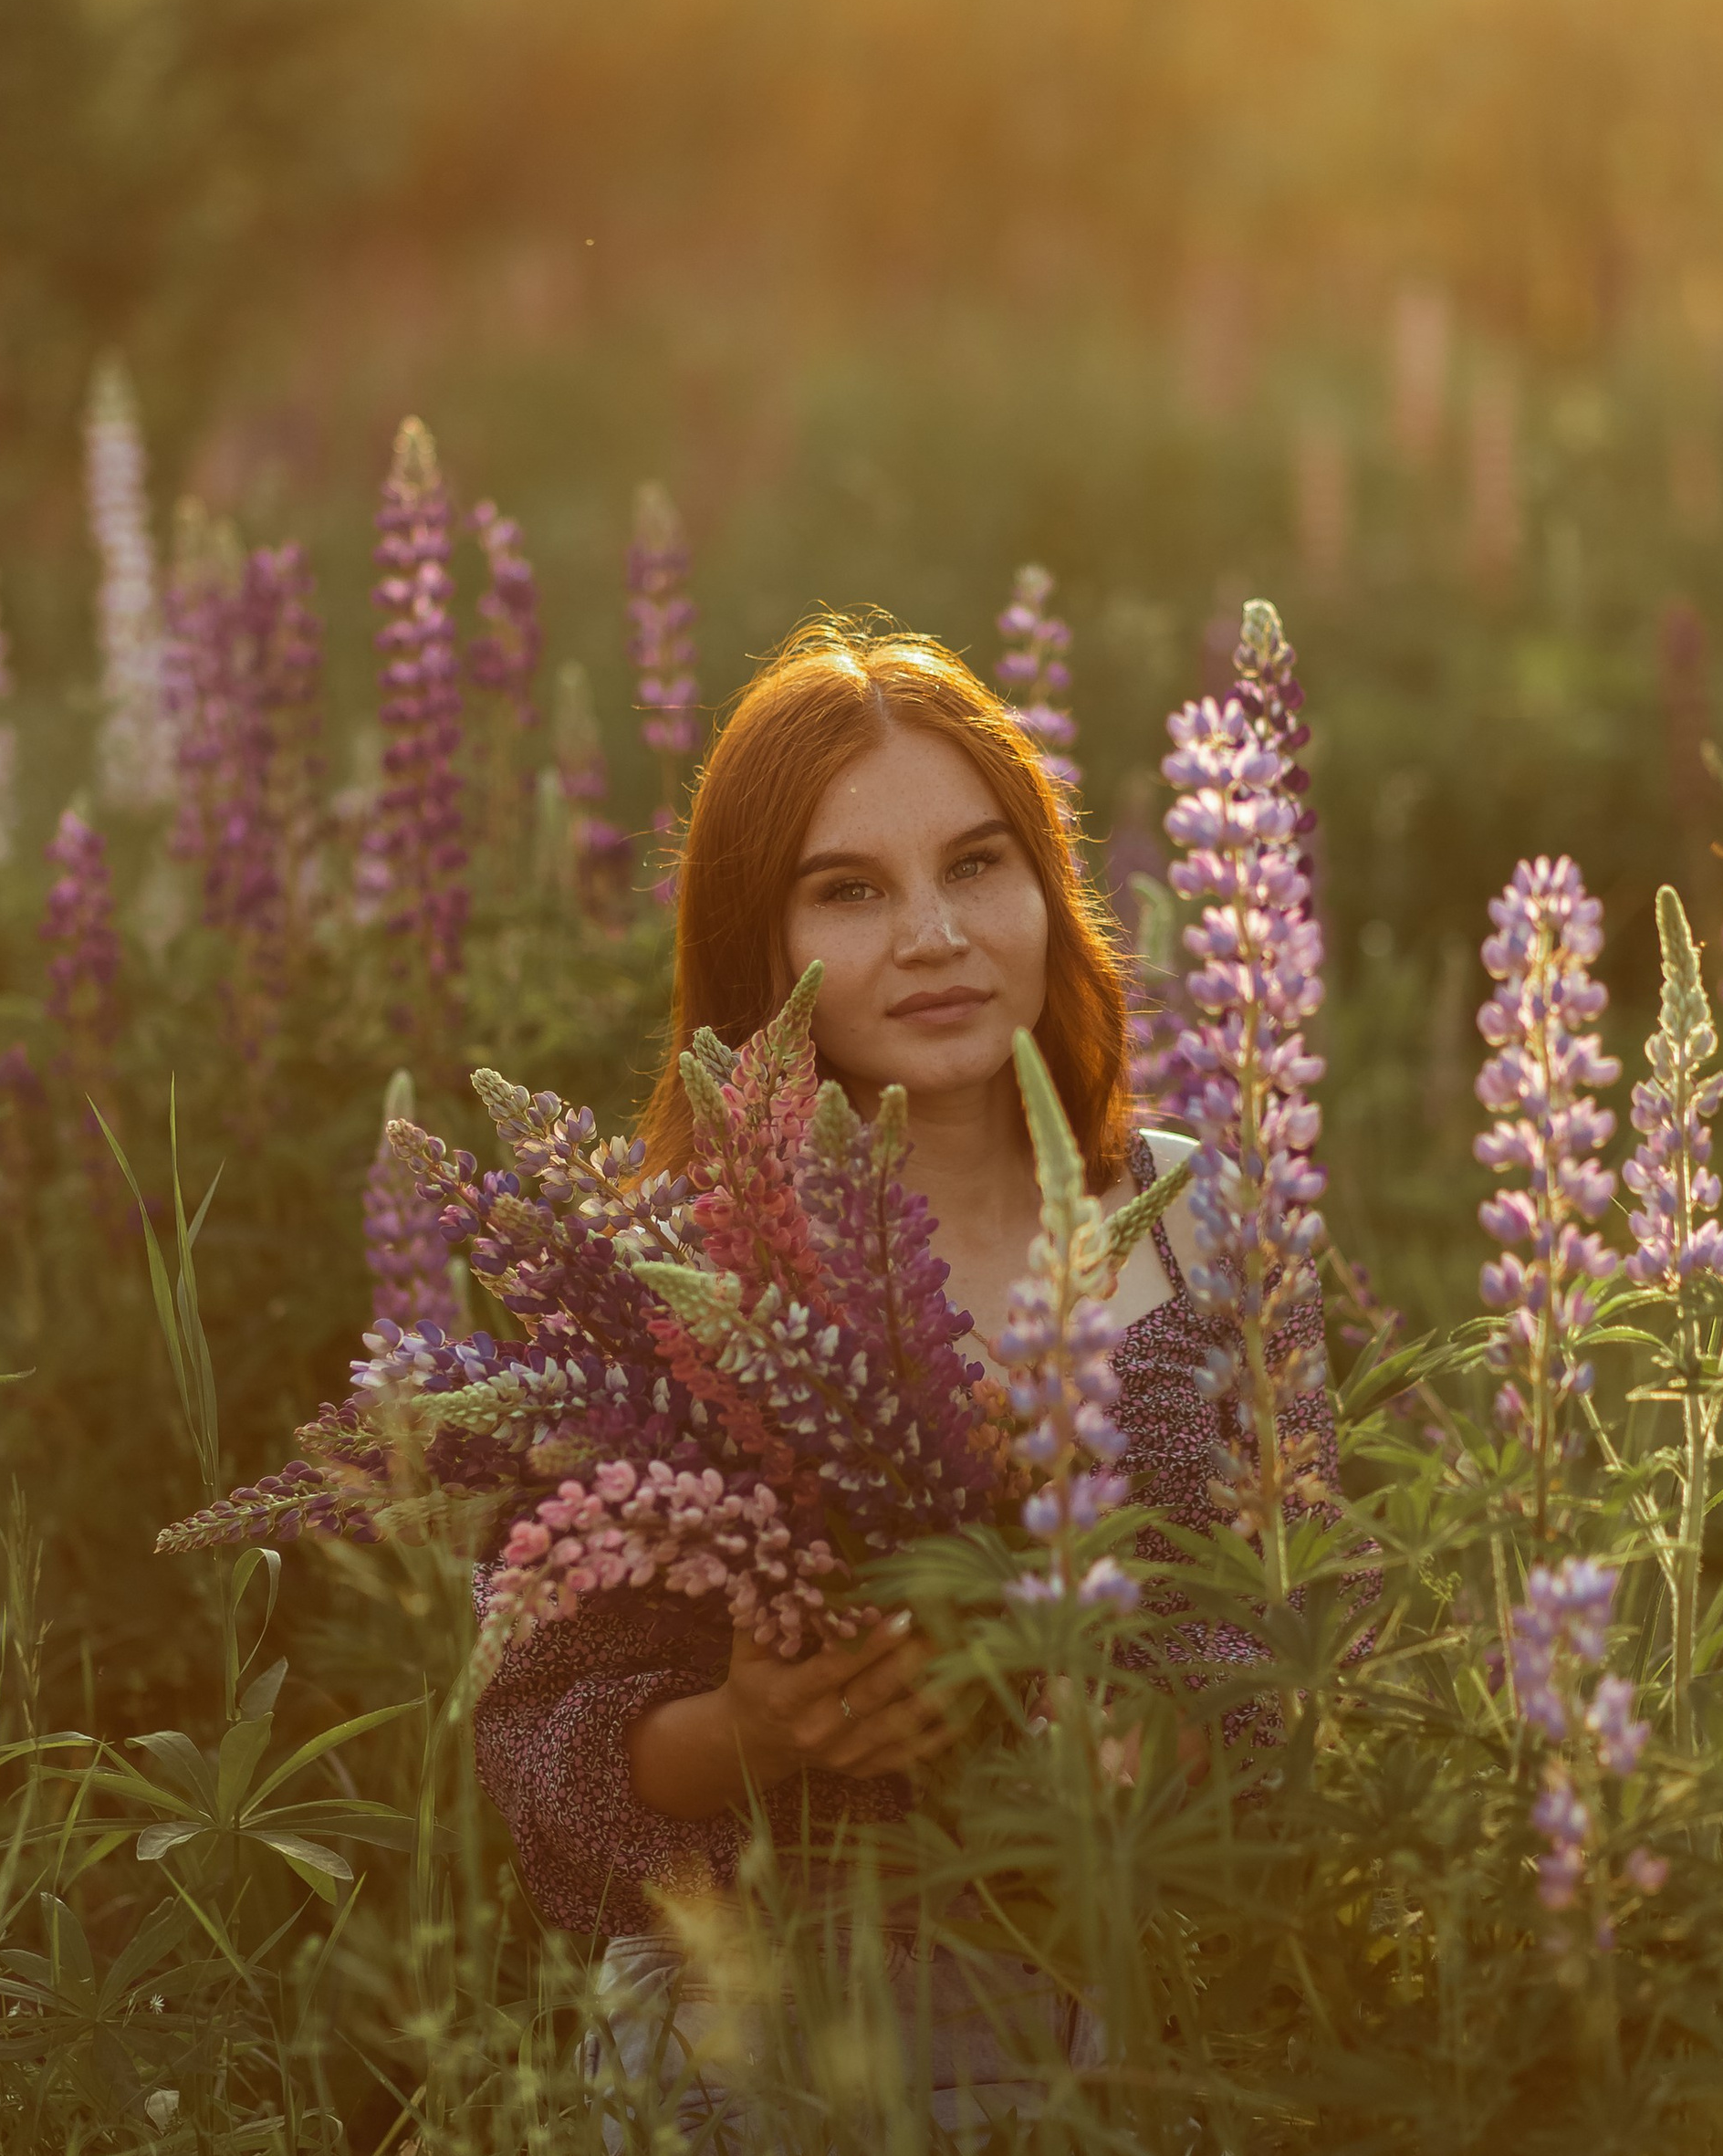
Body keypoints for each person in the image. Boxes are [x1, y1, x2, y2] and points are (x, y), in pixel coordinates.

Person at [471, 619, 1343, 2134]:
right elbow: (530, 1745)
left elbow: (1319, 1622)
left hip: (1149, 2036)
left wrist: (1147, 1740)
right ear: (763, 943)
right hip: (760, 2051)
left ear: (1049, 889)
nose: (933, 933)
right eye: (850, 892)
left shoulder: (1214, 1220)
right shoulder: (665, 1275)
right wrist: (745, 1734)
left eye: (978, 865)